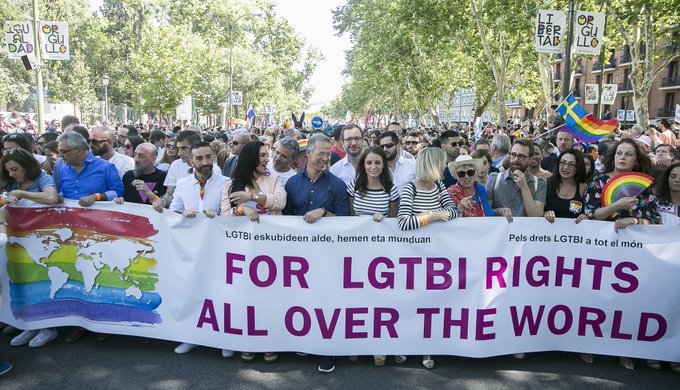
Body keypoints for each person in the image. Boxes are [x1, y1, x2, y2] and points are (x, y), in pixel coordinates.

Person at [583, 138, 660, 370]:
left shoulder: (644, 187)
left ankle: (623, 350)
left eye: (628, 154)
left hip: (631, 255)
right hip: (600, 250)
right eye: (619, 153)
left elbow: (654, 220)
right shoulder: (598, 182)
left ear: (637, 161)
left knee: (625, 302)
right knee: (593, 298)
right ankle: (586, 344)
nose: (622, 157)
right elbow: (589, 214)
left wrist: (634, 219)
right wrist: (616, 207)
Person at [282, 133, 348, 374]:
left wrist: (325, 212)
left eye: (328, 154)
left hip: (327, 254)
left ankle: (327, 350)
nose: (325, 158)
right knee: (301, 301)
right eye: (320, 153)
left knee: (326, 302)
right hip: (299, 254)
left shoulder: (338, 185)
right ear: (307, 154)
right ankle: (302, 342)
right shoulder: (291, 184)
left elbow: (345, 221)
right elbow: (284, 220)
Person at [54, 131, 124, 343]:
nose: (60, 155)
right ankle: (80, 323)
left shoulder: (105, 167)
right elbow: (57, 192)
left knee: (101, 276)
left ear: (78, 151)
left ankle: (105, 322)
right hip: (70, 233)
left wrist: (96, 196)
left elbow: (118, 193)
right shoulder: (61, 167)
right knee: (76, 276)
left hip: (99, 233)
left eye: (64, 151)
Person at [220, 141, 285, 362]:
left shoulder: (274, 179)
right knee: (245, 297)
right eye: (263, 155)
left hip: (272, 249)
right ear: (250, 158)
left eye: (268, 155)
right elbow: (224, 214)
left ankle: (270, 341)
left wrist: (252, 198)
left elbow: (280, 202)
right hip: (243, 251)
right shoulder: (231, 185)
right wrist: (241, 209)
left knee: (270, 297)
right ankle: (247, 341)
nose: (267, 159)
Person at [169, 141, 233, 358]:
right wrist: (183, 215)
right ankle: (192, 337)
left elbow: (234, 216)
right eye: (199, 158)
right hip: (191, 248)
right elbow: (173, 213)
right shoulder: (182, 184)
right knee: (193, 291)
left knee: (220, 293)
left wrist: (220, 217)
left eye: (208, 157)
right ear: (191, 161)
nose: (204, 162)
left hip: (219, 248)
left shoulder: (227, 183)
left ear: (213, 157)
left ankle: (225, 338)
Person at [397, 147, 457, 369]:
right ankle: (403, 346)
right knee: (409, 304)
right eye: (441, 163)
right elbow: (403, 222)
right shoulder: (409, 189)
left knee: (430, 306)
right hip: (411, 257)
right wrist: (431, 217)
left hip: (436, 256)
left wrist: (441, 214)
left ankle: (426, 349)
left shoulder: (439, 186)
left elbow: (453, 211)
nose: (444, 167)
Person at [486, 139, 547, 221]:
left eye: (521, 156)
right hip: (501, 231)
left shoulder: (540, 182)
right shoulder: (494, 178)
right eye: (513, 155)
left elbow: (536, 216)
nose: (515, 159)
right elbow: (485, 212)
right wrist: (499, 211)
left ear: (529, 159)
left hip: (525, 233)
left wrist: (524, 187)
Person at [347, 146, 399, 223]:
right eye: (369, 163)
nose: (373, 167)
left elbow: (394, 217)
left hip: (381, 233)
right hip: (357, 234)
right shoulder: (353, 186)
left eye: (377, 163)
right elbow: (351, 215)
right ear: (364, 165)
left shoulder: (391, 189)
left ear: (383, 165)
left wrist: (384, 219)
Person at [543, 150, 588, 223]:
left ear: (578, 167)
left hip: (574, 233)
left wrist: (584, 216)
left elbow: (588, 212)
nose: (566, 167)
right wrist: (544, 213)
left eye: (571, 164)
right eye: (563, 163)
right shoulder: (546, 184)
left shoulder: (583, 188)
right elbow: (537, 211)